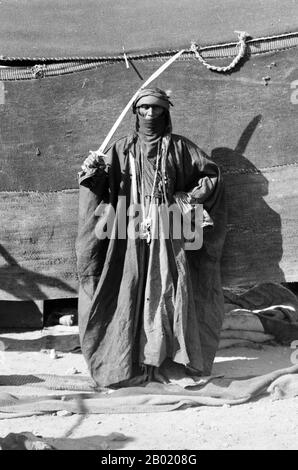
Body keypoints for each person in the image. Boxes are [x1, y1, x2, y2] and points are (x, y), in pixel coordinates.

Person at [76, 87, 226, 388]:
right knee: (128, 292)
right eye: (143, 108)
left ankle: (168, 360)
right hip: (128, 234)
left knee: (167, 293)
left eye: (155, 109)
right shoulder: (121, 148)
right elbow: (103, 185)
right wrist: (92, 172)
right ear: (135, 113)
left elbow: (211, 176)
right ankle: (126, 362)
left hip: (167, 234)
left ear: (165, 112)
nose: (149, 114)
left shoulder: (180, 148)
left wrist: (185, 200)